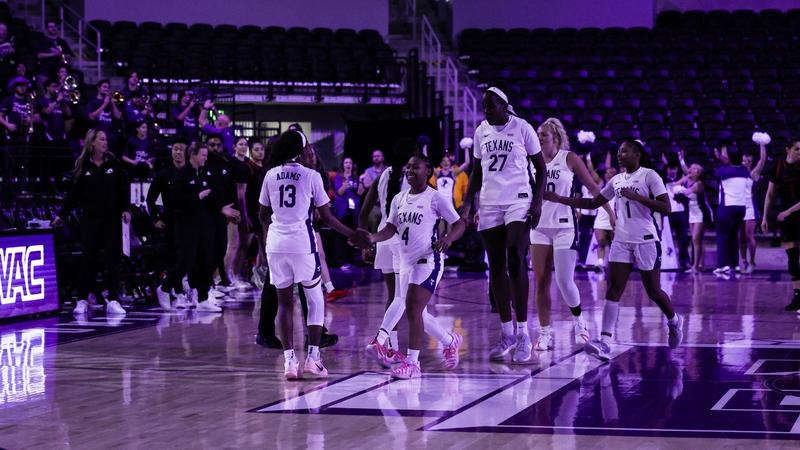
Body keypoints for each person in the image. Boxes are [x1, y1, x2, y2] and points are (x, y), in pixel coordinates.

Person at [545, 140, 684, 361]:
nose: (620, 155)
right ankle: (606, 341)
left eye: (624, 151)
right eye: (618, 152)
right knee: (613, 290)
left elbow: (666, 208)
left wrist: (637, 196)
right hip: (620, 240)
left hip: (646, 239)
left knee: (653, 291)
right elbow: (593, 204)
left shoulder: (650, 176)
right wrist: (561, 199)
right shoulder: (616, 180)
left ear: (637, 154)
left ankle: (674, 320)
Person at [259, 129, 368, 379]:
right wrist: (353, 234)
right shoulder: (311, 176)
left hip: (275, 244)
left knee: (285, 303)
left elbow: (263, 216)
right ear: (300, 150)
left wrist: (268, 241)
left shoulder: (270, 175)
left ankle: (289, 362)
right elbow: (327, 218)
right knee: (315, 299)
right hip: (301, 244)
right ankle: (313, 359)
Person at [461, 87, 547, 363]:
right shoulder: (481, 132)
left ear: (505, 106)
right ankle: (506, 332)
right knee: (495, 265)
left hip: (519, 200)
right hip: (489, 202)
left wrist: (537, 203)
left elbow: (541, 169)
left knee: (514, 257)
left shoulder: (522, 128)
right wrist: (467, 203)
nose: (486, 110)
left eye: (491, 106)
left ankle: (524, 334)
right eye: (484, 106)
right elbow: (477, 171)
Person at [366, 155, 466, 379]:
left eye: (415, 167)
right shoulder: (399, 199)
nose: (410, 170)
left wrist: (448, 239)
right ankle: (450, 341)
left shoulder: (435, 197)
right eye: (408, 167)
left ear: (428, 171)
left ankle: (412, 363)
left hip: (429, 259)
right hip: (405, 260)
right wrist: (372, 238)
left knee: (410, 306)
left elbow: (460, 223)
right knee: (417, 311)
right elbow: (390, 229)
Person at [529, 118, 610, 351]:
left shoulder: (569, 158)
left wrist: (610, 214)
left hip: (565, 225)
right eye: (537, 134)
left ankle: (580, 323)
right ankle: (545, 333)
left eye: (543, 134)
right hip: (539, 227)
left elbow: (595, 189)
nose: (539, 137)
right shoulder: (531, 162)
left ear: (555, 137)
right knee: (541, 282)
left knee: (564, 280)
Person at [51, 129, 130, 316]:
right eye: (101, 139)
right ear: (92, 143)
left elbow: (123, 190)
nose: (105, 142)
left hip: (111, 220)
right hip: (90, 221)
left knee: (112, 260)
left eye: (106, 139)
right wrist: (61, 215)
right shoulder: (83, 166)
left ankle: (113, 299)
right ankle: (82, 299)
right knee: (89, 260)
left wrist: (126, 209)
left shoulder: (114, 164)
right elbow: (73, 195)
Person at [360, 138, 423, 365]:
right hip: (403, 241)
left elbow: (364, 210)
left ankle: (391, 347)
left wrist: (367, 242)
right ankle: (386, 344)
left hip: (383, 239)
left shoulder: (383, 175)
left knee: (393, 296)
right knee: (406, 298)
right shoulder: (414, 178)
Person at [155, 142, 223, 312]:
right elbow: (175, 202)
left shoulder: (204, 174)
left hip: (204, 224)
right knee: (187, 261)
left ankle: (202, 298)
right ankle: (164, 287)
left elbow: (211, 197)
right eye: (203, 155)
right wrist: (196, 197)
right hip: (186, 226)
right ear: (193, 155)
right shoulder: (181, 176)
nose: (206, 158)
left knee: (206, 260)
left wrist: (222, 208)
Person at [761, 138, 800, 311]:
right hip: (786, 218)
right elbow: (769, 194)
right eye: (797, 149)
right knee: (792, 257)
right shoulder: (777, 167)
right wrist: (764, 217)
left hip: (794, 213)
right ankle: (798, 296)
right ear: (788, 150)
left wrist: (789, 212)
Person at [205, 134, 242, 296]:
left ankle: (221, 278)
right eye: (211, 144)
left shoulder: (227, 164)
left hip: (227, 211)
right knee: (211, 248)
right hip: (209, 213)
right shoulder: (203, 165)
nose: (214, 148)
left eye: (217, 145)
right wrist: (220, 208)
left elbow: (232, 190)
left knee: (225, 247)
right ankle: (209, 281)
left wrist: (235, 209)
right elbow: (205, 193)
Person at [146, 138, 187, 282]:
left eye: (181, 149)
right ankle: (173, 287)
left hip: (190, 220)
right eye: (175, 149)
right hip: (170, 220)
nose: (178, 152)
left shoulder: (193, 172)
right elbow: (150, 199)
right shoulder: (163, 174)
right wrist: (155, 219)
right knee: (172, 254)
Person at [712, 144, 750, 275]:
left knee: (722, 236)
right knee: (734, 236)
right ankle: (735, 264)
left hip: (727, 208)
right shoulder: (744, 170)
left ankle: (722, 265)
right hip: (741, 208)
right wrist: (724, 159)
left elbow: (716, 173)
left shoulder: (723, 171)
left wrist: (721, 159)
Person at [224, 136, 252, 288]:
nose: (243, 147)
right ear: (234, 146)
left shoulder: (246, 164)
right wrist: (244, 214)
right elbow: (240, 194)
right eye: (240, 144)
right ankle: (225, 277)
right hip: (233, 207)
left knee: (238, 243)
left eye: (245, 144)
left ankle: (230, 275)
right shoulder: (234, 164)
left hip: (237, 206)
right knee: (233, 244)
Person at [677, 154, 711, 273]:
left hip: (702, 213)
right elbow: (675, 185)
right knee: (698, 240)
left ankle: (695, 266)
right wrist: (681, 160)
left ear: (699, 173)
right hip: (692, 213)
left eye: (695, 169)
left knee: (696, 240)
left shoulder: (699, 184)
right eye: (691, 168)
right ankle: (700, 264)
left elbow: (686, 192)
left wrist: (679, 192)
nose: (691, 170)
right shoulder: (688, 179)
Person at [739, 143, 767, 273]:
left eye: (749, 161)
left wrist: (762, 145)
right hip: (739, 207)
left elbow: (762, 161)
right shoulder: (737, 172)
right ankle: (743, 261)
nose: (746, 163)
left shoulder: (753, 174)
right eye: (744, 160)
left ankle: (752, 262)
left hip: (750, 208)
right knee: (741, 237)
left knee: (750, 235)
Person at [332, 156, 364, 268]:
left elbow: (359, 193)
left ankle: (351, 260)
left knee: (353, 235)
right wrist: (345, 185)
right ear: (343, 165)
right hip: (342, 210)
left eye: (350, 162)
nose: (348, 164)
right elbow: (339, 192)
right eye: (346, 162)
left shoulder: (355, 177)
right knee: (341, 235)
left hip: (353, 211)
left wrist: (361, 184)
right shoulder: (338, 177)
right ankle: (341, 261)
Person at [86, 79, 123, 151]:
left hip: (110, 136)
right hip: (97, 135)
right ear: (98, 88)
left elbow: (118, 116)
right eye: (104, 87)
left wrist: (112, 102)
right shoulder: (92, 101)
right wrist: (105, 104)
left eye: (108, 87)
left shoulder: (111, 102)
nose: (106, 89)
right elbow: (91, 117)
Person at [38, 78, 71, 144]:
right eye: (53, 86)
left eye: (56, 86)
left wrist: (64, 101)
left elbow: (68, 114)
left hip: (61, 134)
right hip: (48, 134)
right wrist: (57, 101)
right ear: (47, 88)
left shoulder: (60, 100)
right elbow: (47, 112)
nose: (56, 88)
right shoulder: (42, 100)